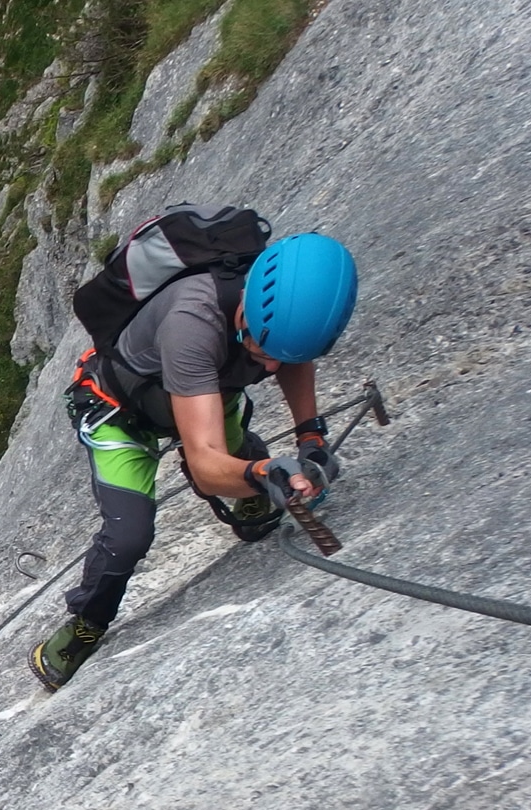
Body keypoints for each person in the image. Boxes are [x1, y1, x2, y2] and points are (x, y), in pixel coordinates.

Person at [30, 229, 359, 690]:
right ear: (245, 310)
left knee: (235, 447)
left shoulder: (279, 314)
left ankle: (251, 499)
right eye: (260, 349)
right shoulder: (193, 321)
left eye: (277, 356)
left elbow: (292, 356)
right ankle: (86, 623)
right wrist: (263, 474)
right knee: (128, 535)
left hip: (208, 387)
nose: (267, 368)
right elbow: (206, 467)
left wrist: (311, 437)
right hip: (121, 413)